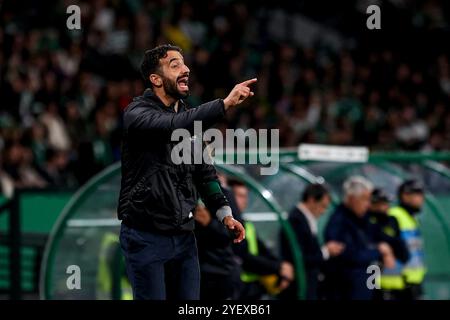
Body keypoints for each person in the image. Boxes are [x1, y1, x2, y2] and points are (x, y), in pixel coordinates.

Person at [117, 44, 252, 300]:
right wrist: (223, 104)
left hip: (184, 238)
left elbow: (204, 174)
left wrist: (224, 214)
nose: (186, 69)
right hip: (146, 237)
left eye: (184, 63)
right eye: (174, 65)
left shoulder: (188, 119)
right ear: (155, 79)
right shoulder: (137, 115)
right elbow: (171, 125)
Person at [323, 176, 396, 300]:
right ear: (351, 198)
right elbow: (350, 255)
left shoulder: (363, 219)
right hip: (347, 289)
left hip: (367, 284)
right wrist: (378, 251)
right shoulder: (339, 222)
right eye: (364, 199)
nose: (368, 205)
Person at [228, 178, 294, 299]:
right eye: (239, 196)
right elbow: (244, 257)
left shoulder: (246, 224)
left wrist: (280, 266)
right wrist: (278, 267)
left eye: (245, 196)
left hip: (251, 286)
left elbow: (262, 249)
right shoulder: (228, 226)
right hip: (236, 286)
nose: (244, 201)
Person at [279, 183, 345, 300]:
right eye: (323, 206)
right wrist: (326, 251)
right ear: (311, 200)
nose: (324, 211)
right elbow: (300, 257)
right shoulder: (296, 220)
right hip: (299, 286)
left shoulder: (305, 219)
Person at [367, 188, 410, 300]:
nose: (385, 207)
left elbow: (403, 252)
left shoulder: (392, 221)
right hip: (372, 283)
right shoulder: (366, 221)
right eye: (381, 204)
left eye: (386, 203)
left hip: (395, 282)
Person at [194, 199, 241, 300]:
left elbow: (233, 234)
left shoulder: (221, 194)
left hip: (220, 272)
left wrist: (209, 223)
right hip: (194, 272)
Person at [388, 179, 426, 300]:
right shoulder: (394, 215)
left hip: (413, 282)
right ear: (405, 196)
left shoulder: (412, 218)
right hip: (400, 284)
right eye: (417, 194)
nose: (421, 199)